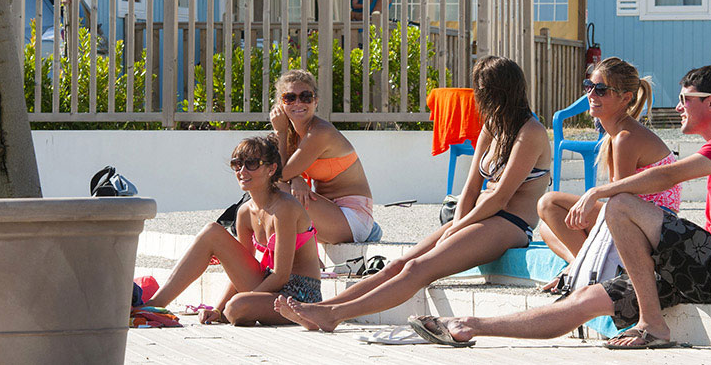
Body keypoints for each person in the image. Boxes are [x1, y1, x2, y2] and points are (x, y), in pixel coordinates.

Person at [409, 64, 711, 349]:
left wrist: (598, 193)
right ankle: (467, 326)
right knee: (583, 300)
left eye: (686, 100)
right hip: (700, 269)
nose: (679, 107)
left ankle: (652, 326)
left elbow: (669, 177)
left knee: (619, 203)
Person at [273, 55, 552, 332]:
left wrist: (459, 227)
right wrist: (456, 224)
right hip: (481, 216)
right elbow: (470, 189)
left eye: (482, 92)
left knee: (417, 269)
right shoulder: (492, 128)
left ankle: (335, 314)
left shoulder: (531, 132)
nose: (477, 99)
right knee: (400, 263)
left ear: (499, 92)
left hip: (510, 224)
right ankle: (321, 309)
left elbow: (500, 197)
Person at [143, 135, 321, 325]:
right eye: (237, 164)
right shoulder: (244, 212)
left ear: (271, 169)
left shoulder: (284, 207)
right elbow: (238, 271)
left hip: (301, 296)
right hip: (269, 289)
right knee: (212, 232)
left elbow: (281, 275)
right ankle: (154, 306)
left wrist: (244, 300)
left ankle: (253, 309)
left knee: (236, 307)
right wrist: (218, 309)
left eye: (252, 163)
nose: (242, 171)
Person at [537, 57, 681, 265]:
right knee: (547, 226)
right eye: (589, 86)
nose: (591, 94)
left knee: (548, 203)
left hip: (651, 226)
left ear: (625, 98)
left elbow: (621, 201)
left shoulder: (626, 137)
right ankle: (581, 266)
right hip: (644, 219)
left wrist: (591, 198)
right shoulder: (616, 134)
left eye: (601, 89)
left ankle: (586, 270)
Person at [270, 69, 376, 244]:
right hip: (329, 212)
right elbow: (277, 171)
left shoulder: (320, 132)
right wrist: (295, 178)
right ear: (281, 103)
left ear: (315, 101)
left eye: (305, 97)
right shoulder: (293, 135)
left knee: (277, 189)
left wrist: (280, 132)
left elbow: (278, 176)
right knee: (269, 186)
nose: (298, 102)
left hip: (352, 218)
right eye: (290, 97)